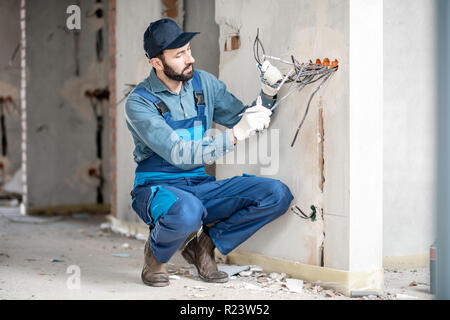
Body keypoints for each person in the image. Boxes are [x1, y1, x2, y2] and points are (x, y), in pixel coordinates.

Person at [125, 18, 294, 287]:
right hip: (157, 188)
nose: (189, 58)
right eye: (179, 54)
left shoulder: (204, 84)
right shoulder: (139, 103)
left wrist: (268, 93)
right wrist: (237, 132)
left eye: (189, 50)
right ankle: (155, 257)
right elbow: (180, 153)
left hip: (199, 186)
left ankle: (203, 246)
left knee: (276, 194)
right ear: (157, 63)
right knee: (187, 211)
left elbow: (243, 117)